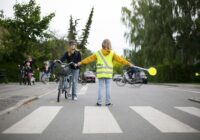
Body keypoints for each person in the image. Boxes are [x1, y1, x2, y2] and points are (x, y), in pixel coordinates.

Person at [77, 39, 133, 106]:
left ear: (102, 44)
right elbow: (120, 60)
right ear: (109, 45)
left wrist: (81, 62)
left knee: (100, 88)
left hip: (101, 73)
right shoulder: (112, 53)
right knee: (108, 88)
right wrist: (128, 63)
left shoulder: (98, 53)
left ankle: (99, 102)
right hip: (108, 74)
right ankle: (108, 102)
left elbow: (89, 59)